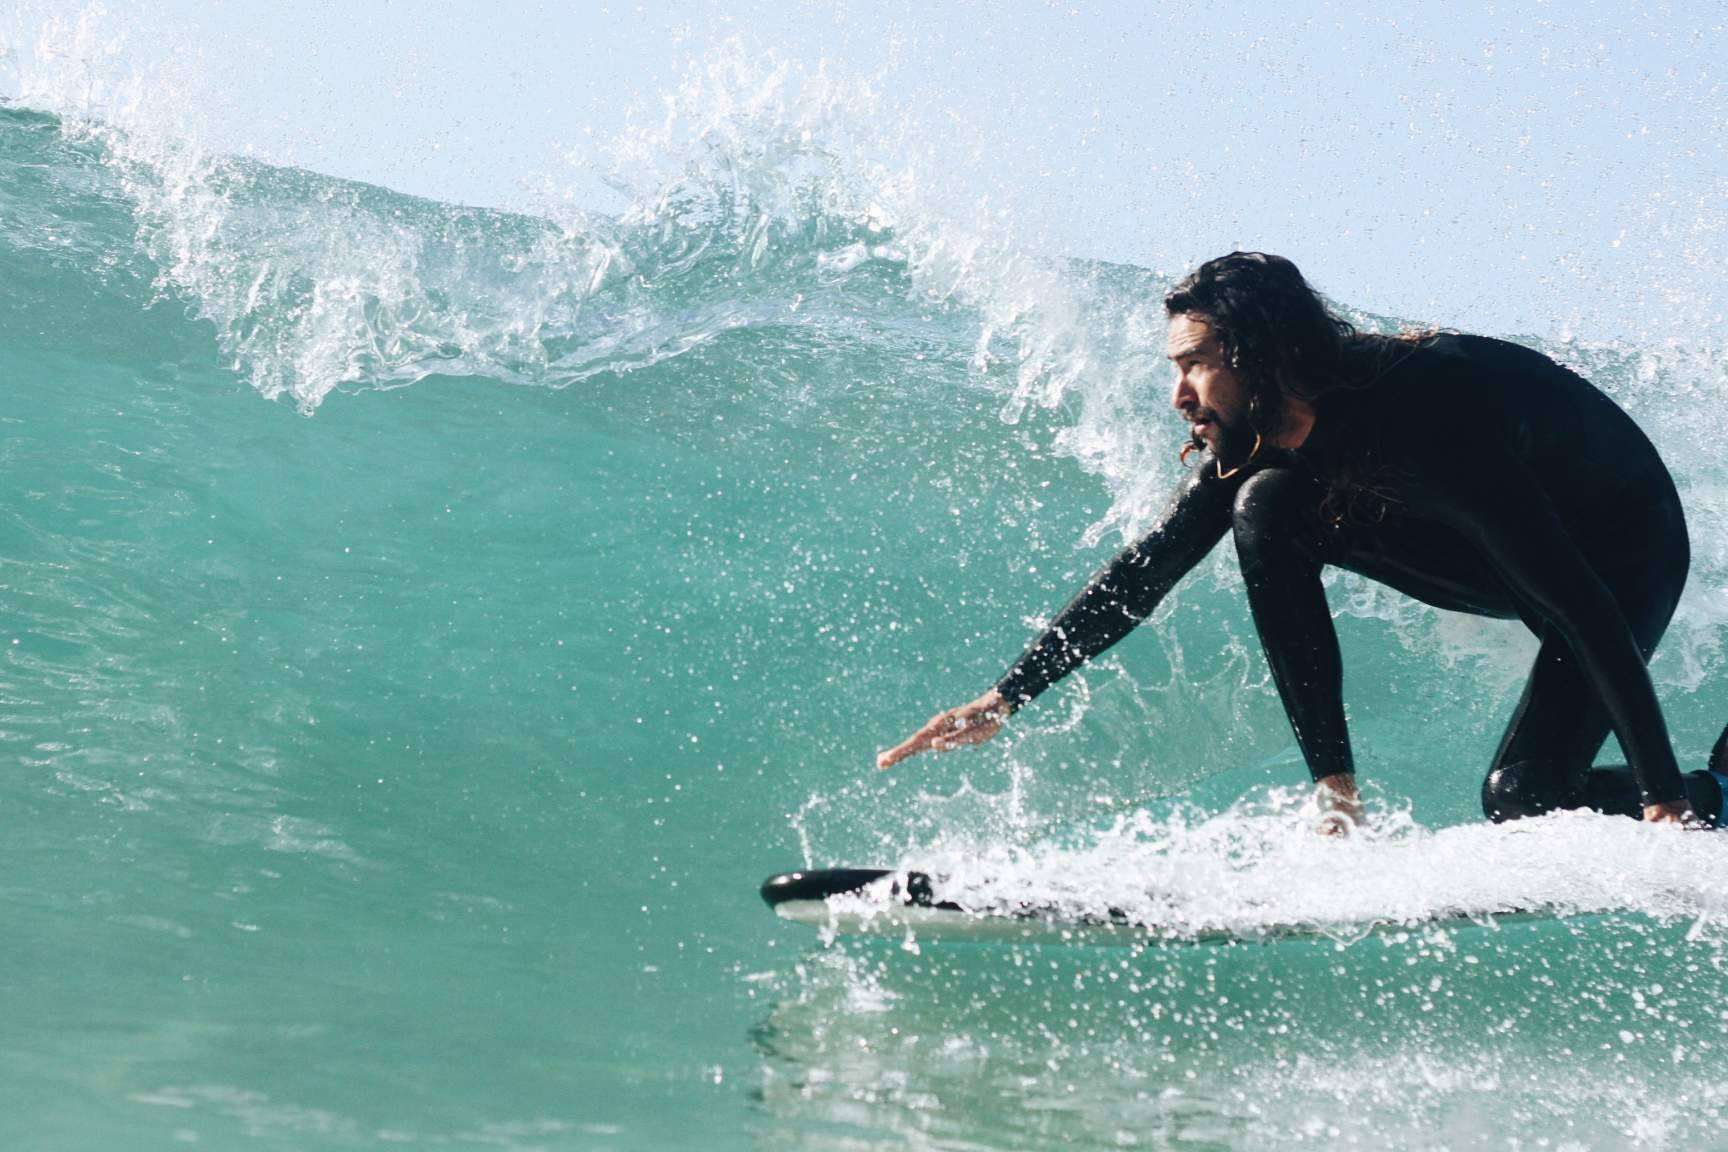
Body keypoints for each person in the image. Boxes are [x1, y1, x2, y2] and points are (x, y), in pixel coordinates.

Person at [877, 252, 1727, 831]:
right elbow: (1147, 573)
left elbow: (1581, 607)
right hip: (1488, 548)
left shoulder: (1428, 419)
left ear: (1259, 354)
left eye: (1195, 363)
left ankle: (1712, 791)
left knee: (1523, 797)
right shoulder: (1261, 437)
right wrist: (1004, 698)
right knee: (1265, 505)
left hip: (1622, 548)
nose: (1179, 395)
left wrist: (1661, 795)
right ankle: (1337, 796)